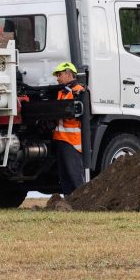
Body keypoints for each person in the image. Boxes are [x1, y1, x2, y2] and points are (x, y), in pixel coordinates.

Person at [52, 61, 86, 195]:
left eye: (59, 75)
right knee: (64, 176)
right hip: (61, 139)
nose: (57, 78)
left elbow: (78, 114)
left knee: (75, 175)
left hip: (72, 141)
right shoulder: (62, 92)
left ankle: (81, 201)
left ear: (68, 73)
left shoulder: (79, 90)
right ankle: (68, 201)